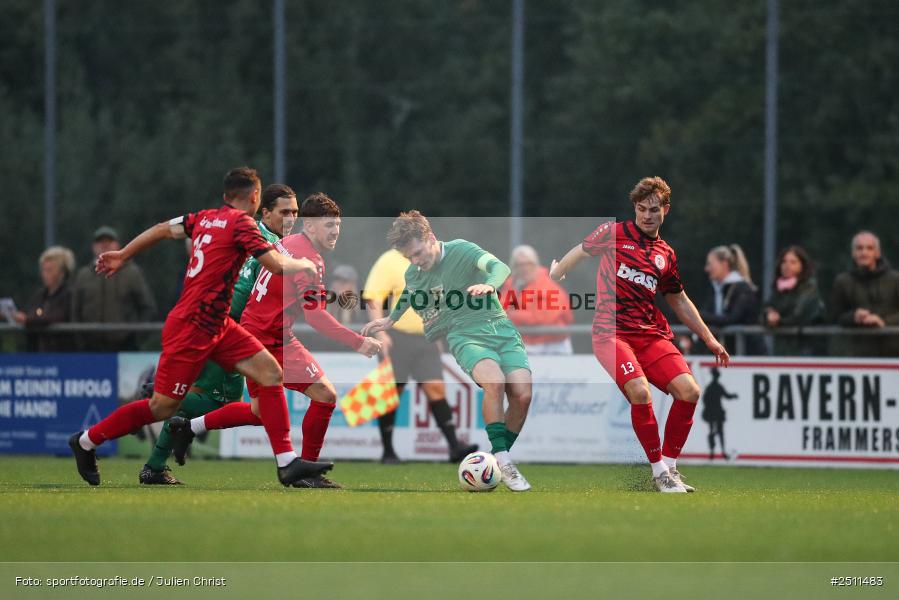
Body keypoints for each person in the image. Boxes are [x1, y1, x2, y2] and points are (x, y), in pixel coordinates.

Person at [68, 166, 330, 488]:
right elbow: (276, 265)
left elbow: (164, 229)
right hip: (194, 325)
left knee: (270, 372)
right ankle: (86, 441)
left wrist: (124, 254)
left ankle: (287, 462)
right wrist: (305, 262)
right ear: (256, 197)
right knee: (161, 406)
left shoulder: (203, 218)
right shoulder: (243, 225)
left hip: (219, 323)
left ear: (225, 197)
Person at [168, 193, 381, 489]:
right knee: (325, 396)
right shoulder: (310, 260)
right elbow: (316, 316)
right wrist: (358, 342)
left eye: (338, 225)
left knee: (258, 411)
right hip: (271, 336)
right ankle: (307, 473)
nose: (335, 231)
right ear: (310, 226)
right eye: (329, 225)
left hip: (257, 331)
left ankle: (187, 427)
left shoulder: (287, 243)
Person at [549, 176, 729, 493]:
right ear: (635, 207)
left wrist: (709, 338)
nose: (647, 215)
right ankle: (659, 472)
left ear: (666, 210)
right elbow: (580, 251)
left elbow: (679, 299)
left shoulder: (666, 254)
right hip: (611, 333)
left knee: (689, 392)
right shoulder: (614, 233)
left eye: (654, 209)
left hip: (651, 335)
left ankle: (669, 468)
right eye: (642, 209)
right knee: (640, 392)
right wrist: (558, 272)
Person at [138, 183, 299, 485]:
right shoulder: (261, 240)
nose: (290, 218)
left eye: (295, 212)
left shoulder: (263, 238)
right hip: (226, 327)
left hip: (218, 324)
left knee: (228, 402)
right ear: (264, 211)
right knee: (221, 404)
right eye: (284, 212)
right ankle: (167, 405)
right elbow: (243, 287)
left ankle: (156, 464)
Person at [362, 211, 533, 492]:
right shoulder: (414, 272)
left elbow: (500, 267)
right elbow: (409, 293)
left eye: (417, 253)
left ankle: (496, 458)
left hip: (501, 329)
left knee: (523, 394)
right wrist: (391, 320)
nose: (415, 261)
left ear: (430, 238)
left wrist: (489, 284)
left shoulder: (462, 250)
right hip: (464, 335)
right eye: (409, 258)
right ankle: (503, 460)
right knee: (495, 383)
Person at [364, 247, 479, 464]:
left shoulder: (428, 261)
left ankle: (455, 448)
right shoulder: (388, 260)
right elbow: (373, 298)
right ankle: (388, 452)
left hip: (425, 339)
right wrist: (381, 333)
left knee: (436, 389)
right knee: (392, 394)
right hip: (396, 338)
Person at [70, 226, 157, 351]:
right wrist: (80, 341)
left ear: (118, 245)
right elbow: (75, 311)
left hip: (125, 347)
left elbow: (147, 307)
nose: (105, 245)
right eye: (100, 241)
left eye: (109, 241)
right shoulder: (83, 275)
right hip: (90, 349)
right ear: (93, 246)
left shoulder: (133, 273)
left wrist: (136, 338)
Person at [830, 231, 899, 357]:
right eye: (859, 248)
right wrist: (854, 317)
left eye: (869, 248)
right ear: (853, 253)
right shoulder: (842, 281)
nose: (864, 252)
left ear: (877, 253)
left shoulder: (895, 279)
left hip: (893, 352)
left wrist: (883, 321)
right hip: (858, 355)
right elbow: (835, 316)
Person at [499, 245, 574, 355]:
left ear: (535, 265)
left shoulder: (548, 286)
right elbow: (498, 313)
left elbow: (541, 319)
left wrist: (512, 314)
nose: (524, 268)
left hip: (553, 346)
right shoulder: (511, 285)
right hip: (523, 345)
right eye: (519, 265)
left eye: (528, 264)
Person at [698, 244, 765, 355]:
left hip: (749, 353)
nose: (707, 269)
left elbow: (732, 318)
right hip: (730, 353)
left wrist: (696, 316)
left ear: (724, 264)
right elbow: (709, 312)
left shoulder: (743, 289)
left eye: (710, 264)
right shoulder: (715, 288)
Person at [762, 245, 824, 356]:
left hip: (807, 350)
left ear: (802, 265)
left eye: (793, 262)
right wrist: (768, 314)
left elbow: (799, 315)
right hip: (783, 350)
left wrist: (778, 320)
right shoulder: (778, 288)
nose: (787, 266)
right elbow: (766, 308)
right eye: (784, 262)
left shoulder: (809, 287)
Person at [14, 246, 77, 352]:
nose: (45, 274)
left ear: (62, 272)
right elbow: (29, 312)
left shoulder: (70, 294)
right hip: (38, 353)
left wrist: (27, 320)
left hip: (62, 353)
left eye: (49, 270)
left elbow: (56, 317)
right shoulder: (39, 296)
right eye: (43, 270)